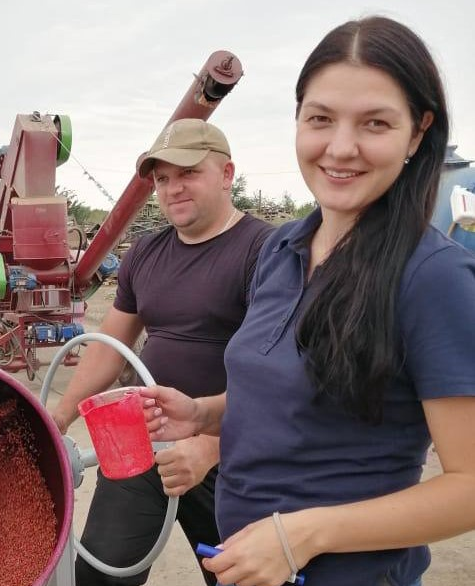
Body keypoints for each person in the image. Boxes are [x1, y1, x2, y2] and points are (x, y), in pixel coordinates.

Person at [143, 16, 475, 586]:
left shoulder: (432, 276)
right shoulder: (281, 248)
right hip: (251, 567)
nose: (340, 148)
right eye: (320, 119)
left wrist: (303, 534)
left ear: (418, 133)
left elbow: (468, 486)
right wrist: (202, 413)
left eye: (375, 122)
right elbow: (289, 399)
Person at [50, 118, 274, 585]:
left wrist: (210, 447)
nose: (172, 189)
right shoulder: (146, 253)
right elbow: (112, 346)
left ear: (227, 174)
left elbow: (280, 375)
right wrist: (61, 412)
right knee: (101, 575)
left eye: (187, 173)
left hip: (235, 452)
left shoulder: (265, 251)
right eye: (162, 178)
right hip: (143, 439)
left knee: (240, 577)